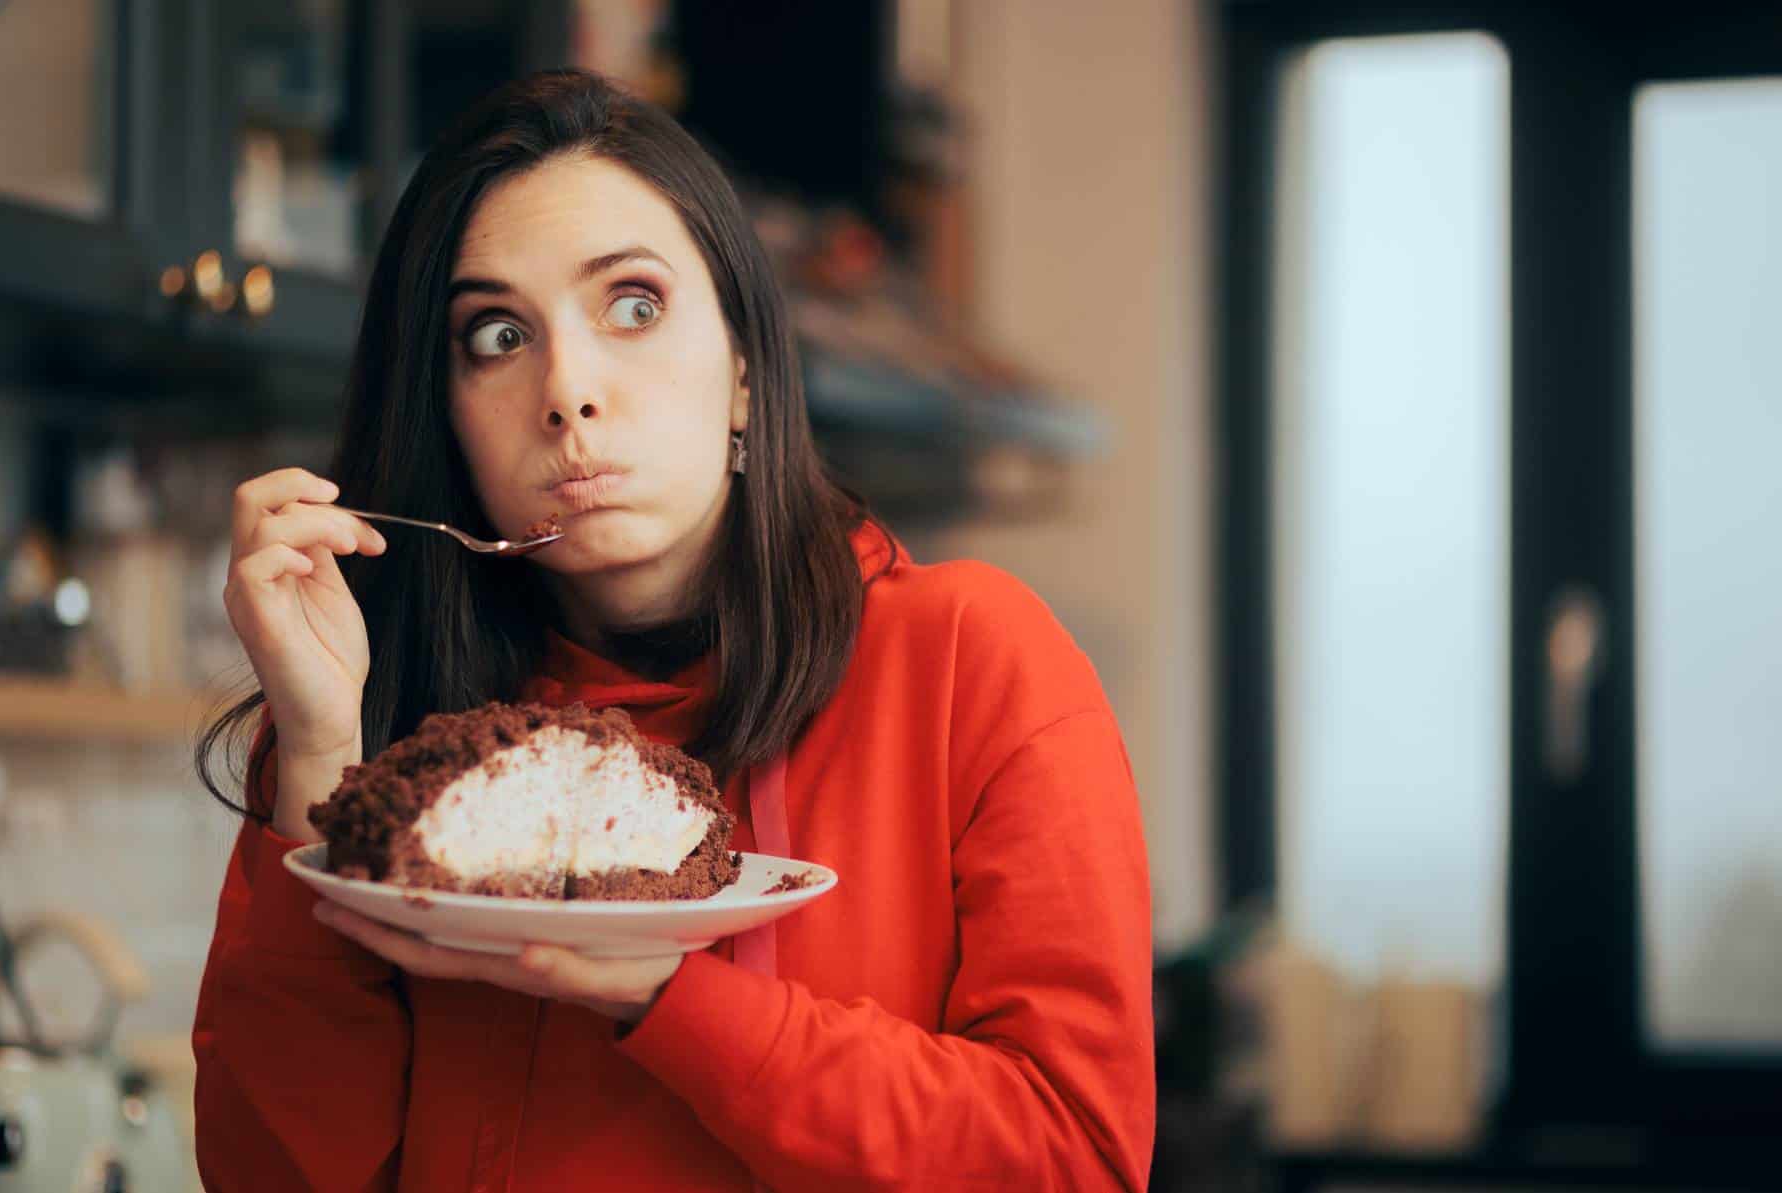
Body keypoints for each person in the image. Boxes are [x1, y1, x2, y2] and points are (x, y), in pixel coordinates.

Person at [192, 69, 1154, 1192]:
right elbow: (271, 1177)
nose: (569, 389)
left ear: (745, 369)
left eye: (633, 306)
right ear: (445, 413)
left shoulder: (969, 662)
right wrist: (315, 746)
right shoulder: (394, 732)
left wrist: (663, 988)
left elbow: (1071, 1158)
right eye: (498, 334)